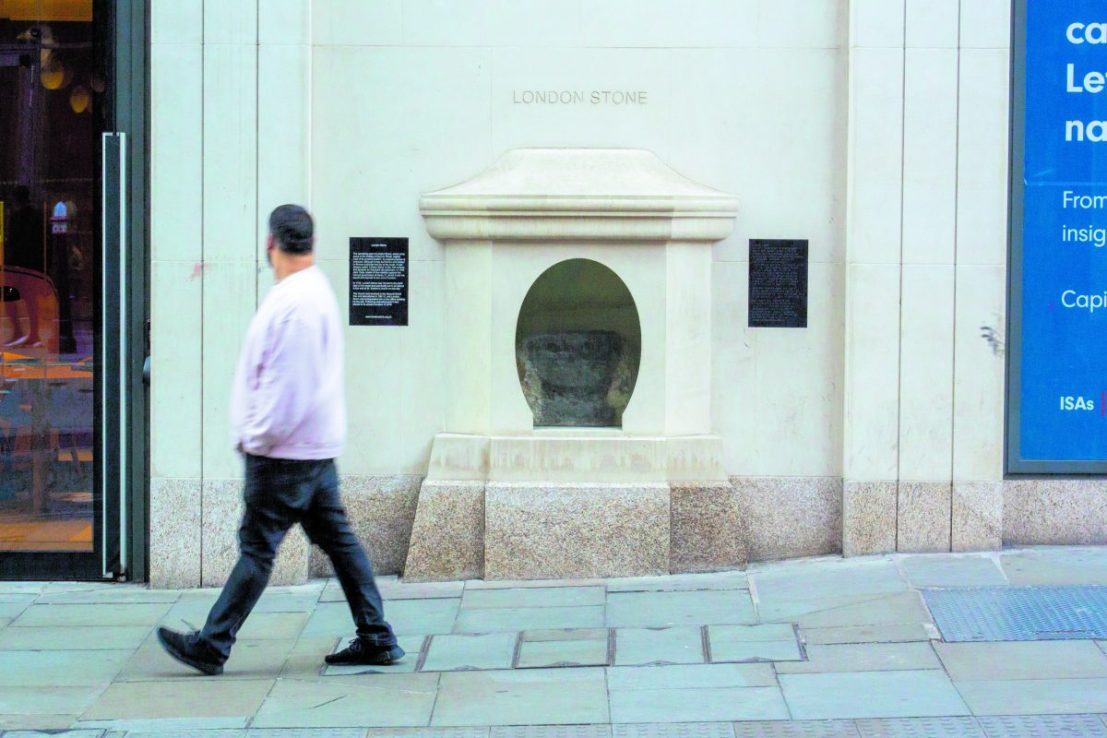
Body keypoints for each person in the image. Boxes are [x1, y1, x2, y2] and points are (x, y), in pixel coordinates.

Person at [157, 204, 403, 676]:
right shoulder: (311, 292)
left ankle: (213, 644)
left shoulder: (296, 305)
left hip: (283, 454)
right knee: (340, 543)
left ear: (271, 243)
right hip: (312, 451)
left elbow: (289, 391)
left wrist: (256, 437)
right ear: (308, 241)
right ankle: (376, 636)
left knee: (258, 548)